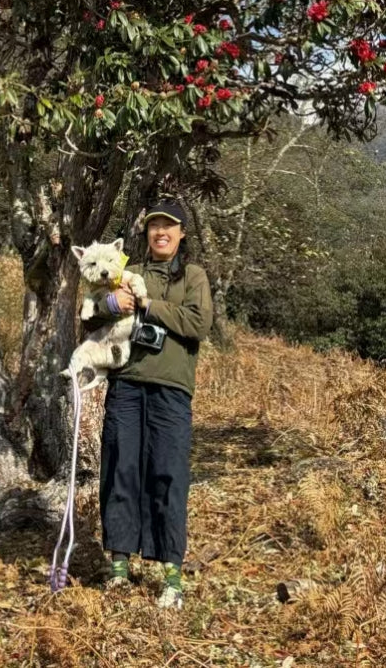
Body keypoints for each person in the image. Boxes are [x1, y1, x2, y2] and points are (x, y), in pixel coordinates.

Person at [91, 197, 213, 610]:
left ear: (181, 234)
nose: (161, 232)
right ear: (146, 233)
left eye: (169, 226)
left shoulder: (193, 275)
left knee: (168, 475)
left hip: (172, 390)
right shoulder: (129, 272)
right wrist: (113, 304)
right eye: (154, 226)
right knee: (121, 469)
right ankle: (120, 566)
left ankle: (171, 574)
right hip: (125, 385)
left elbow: (198, 323)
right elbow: (88, 315)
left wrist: (148, 306)